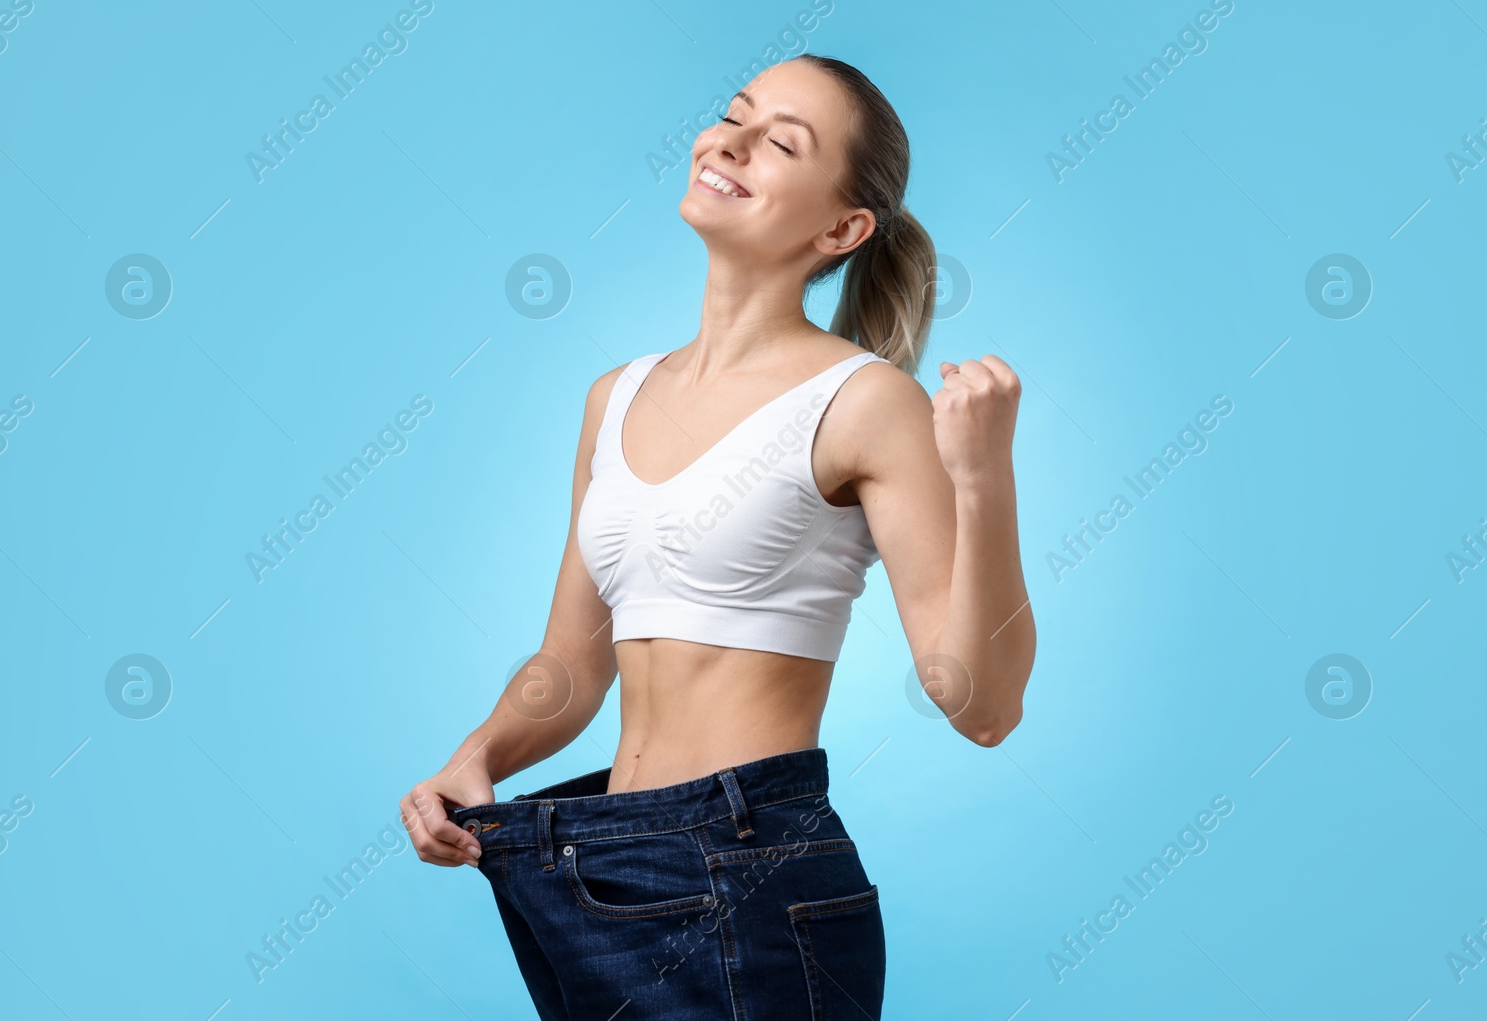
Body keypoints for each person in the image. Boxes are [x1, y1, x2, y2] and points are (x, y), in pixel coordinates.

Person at [400, 54, 1035, 1019]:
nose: (730, 141)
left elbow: (979, 705)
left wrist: (985, 477)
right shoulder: (614, 396)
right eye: (734, 115)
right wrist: (477, 756)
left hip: (749, 870)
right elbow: (572, 663)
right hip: (593, 859)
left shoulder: (864, 403)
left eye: (781, 141)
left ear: (843, 228)